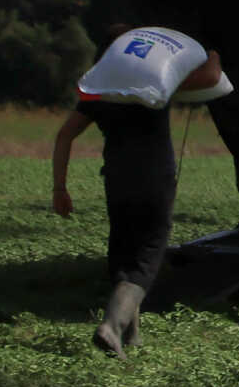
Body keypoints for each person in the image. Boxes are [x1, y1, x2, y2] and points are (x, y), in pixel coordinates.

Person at [50, 28, 225, 356]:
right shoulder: (154, 83)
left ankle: (132, 338)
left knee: (124, 253)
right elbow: (211, 76)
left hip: (117, 180)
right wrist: (211, 51)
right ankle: (112, 327)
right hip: (154, 180)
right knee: (146, 258)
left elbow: (64, 136)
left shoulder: (98, 94)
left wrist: (60, 188)